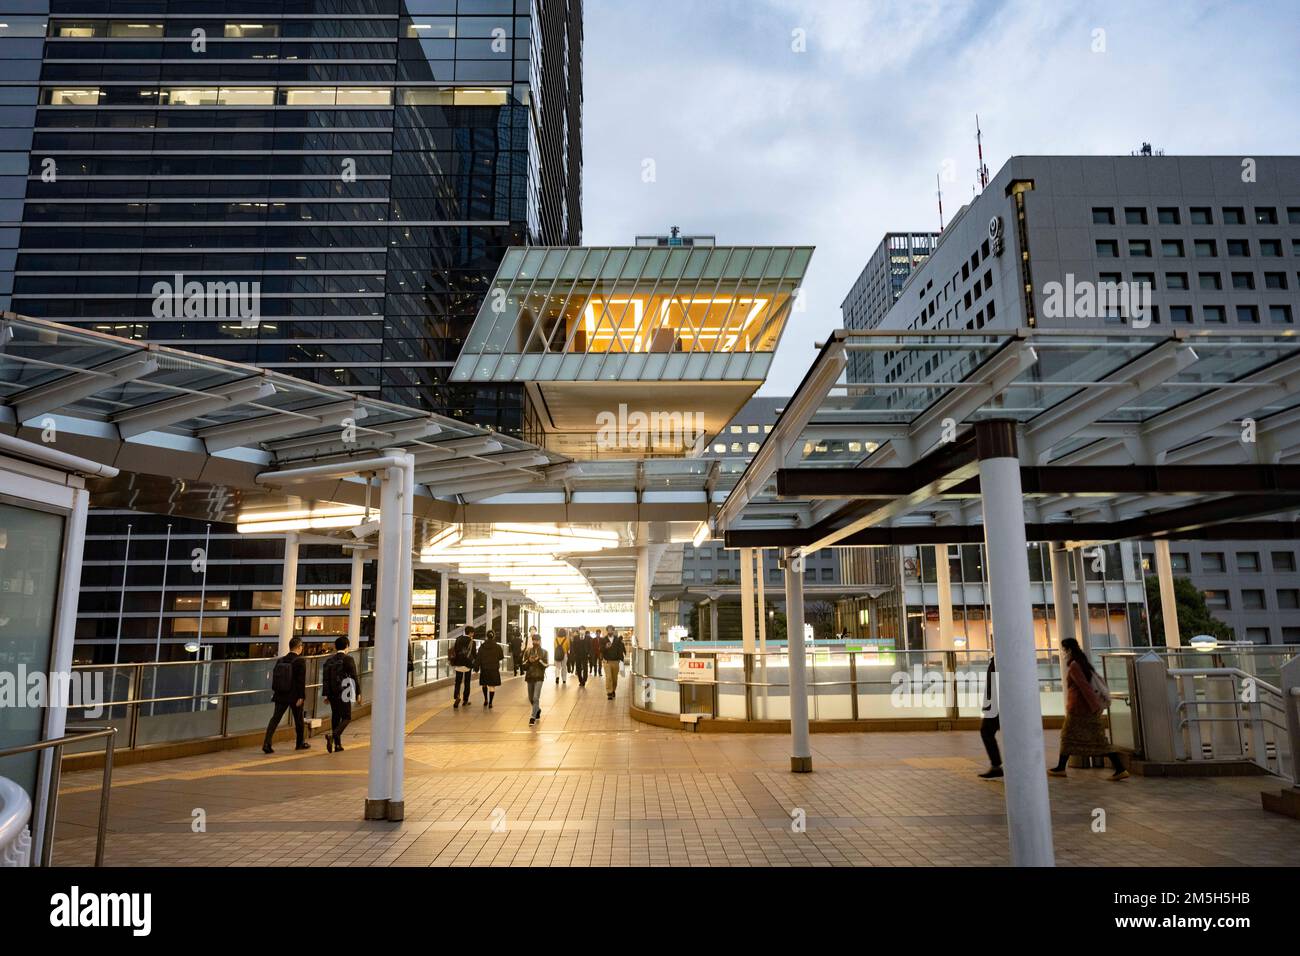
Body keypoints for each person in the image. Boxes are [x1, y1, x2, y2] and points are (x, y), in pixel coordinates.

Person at [1049, 637, 1128, 781]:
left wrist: (1094, 707)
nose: (1063, 652)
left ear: (1069, 650)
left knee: (1071, 738)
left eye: (1064, 649)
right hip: (1084, 710)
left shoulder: (1074, 666)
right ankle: (1061, 767)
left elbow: (1085, 687)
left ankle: (1120, 768)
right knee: (1078, 739)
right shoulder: (1082, 663)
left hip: (1080, 710)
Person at [263, 636, 309, 753]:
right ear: (299, 647)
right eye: (301, 646)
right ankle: (300, 743)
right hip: (294, 696)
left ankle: (267, 743)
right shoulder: (300, 661)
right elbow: (301, 681)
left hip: (280, 694)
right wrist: (301, 696)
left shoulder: (281, 660)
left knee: (275, 719)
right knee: (298, 720)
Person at [322, 636, 361, 753]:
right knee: (347, 717)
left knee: (336, 716)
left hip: (332, 693)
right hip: (344, 692)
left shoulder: (330, 660)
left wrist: (326, 695)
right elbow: (354, 677)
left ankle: (337, 745)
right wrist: (358, 693)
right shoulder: (348, 659)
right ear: (347, 646)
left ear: (335, 646)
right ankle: (333, 736)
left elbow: (325, 679)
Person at [977, 656, 1002, 779]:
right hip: (997, 704)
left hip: (996, 705)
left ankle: (996, 765)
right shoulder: (997, 659)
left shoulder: (999, 660)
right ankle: (996, 765)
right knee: (987, 732)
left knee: (986, 731)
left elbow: (994, 686)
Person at [523, 632, 548, 724]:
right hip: (529, 677)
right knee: (530, 698)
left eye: (537, 640)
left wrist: (539, 660)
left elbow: (546, 665)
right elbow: (523, 665)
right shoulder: (528, 651)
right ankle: (537, 710)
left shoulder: (545, 652)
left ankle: (532, 717)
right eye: (534, 640)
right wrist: (529, 661)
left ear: (540, 641)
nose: (535, 642)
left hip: (539, 677)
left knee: (535, 697)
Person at [475, 629, 504, 708]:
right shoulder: (497, 646)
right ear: (494, 636)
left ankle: (485, 700)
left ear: (486, 636)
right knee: (492, 686)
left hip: (484, 668)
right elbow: (501, 656)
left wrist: (476, 668)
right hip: (494, 668)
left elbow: (478, 658)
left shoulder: (482, 646)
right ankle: (491, 703)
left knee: (484, 685)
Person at [451, 625, 478, 708]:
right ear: (470, 633)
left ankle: (457, 697)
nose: (473, 634)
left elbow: (455, 650)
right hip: (467, 665)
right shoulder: (472, 642)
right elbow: (473, 654)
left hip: (458, 664)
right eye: (472, 633)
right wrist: (475, 664)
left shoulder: (458, 639)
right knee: (467, 683)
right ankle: (465, 700)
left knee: (458, 682)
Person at [602, 626, 626, 700]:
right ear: (607, 631)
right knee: (608, 677)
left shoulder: (617, 640)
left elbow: (620, 650)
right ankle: (609, 692)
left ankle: (613, 690)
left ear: (613, 631)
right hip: (607, 662)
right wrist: (606, 646)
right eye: (608, 630)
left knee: (614, 678)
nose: (610, 631)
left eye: (611, 630)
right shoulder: (604, 640)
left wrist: (621, 660)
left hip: (615, 662)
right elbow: (601, 649)